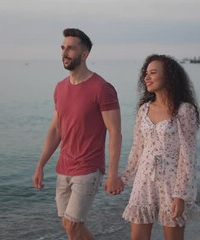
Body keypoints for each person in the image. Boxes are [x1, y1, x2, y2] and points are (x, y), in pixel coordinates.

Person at [32, 28, 124, 240]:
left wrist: (112, 173)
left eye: (71, 48)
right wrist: (40, 165)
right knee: (69, 225)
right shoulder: (60, 88)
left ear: (85, 54)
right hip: (63, 167)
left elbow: (115, 132)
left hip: (88, 167)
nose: (65, 53)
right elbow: (56, 129)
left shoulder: (102, 88)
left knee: (73, 225)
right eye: (63, 48)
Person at [120, 54, 200, 240]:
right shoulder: (144, 109)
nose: (147, 78)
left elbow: (188, 156)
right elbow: (137, 148)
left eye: (153, 73)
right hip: (144, 180)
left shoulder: (184, 110)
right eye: (146, 73)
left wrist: (180, 194)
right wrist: (124, 177)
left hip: (171, 182)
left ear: (169, 76)